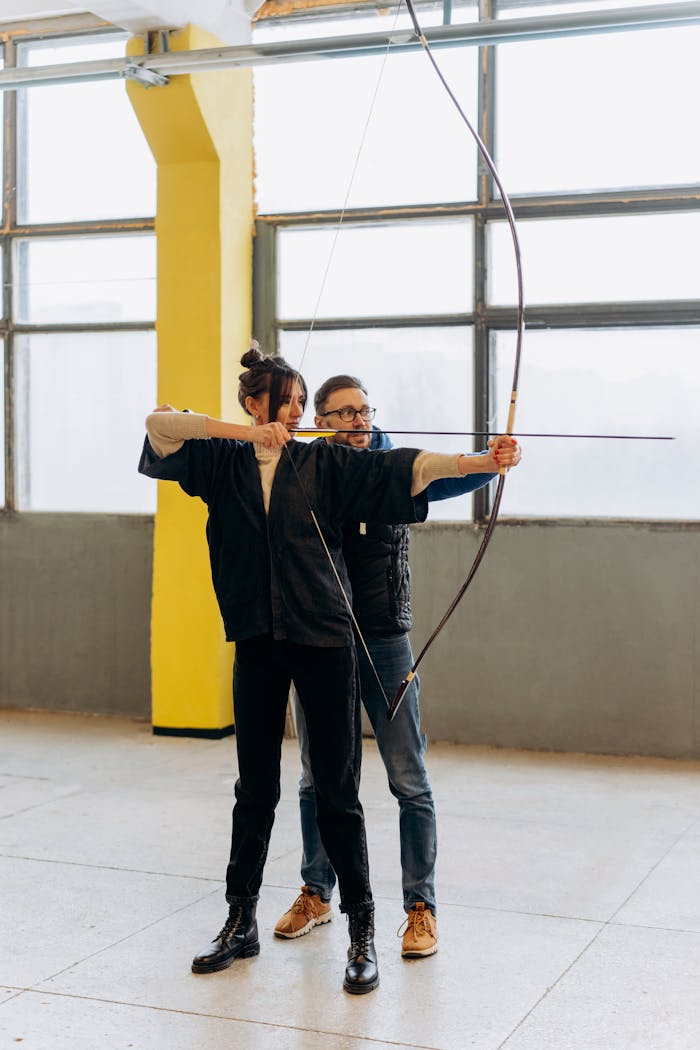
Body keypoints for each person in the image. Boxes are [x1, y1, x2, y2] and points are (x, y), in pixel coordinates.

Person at [138, 346, 519, 995]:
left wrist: (482, 462)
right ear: (254, 404)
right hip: (257, 641)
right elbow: (159, 425)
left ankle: (361, 932)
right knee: (255, 790)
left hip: (324, 640)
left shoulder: (324, 461)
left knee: (338, 791)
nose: (293, 412)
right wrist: (248, 436)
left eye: (298, 401)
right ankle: (239, 921)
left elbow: (406, 469)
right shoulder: (220, 460)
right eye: (284, 401)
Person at [274, 375, 518, 958]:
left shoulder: (393, 466)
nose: (359, 421)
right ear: (320, 421)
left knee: (409, 777)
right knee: (316, 777)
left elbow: (448, 474)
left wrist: (494, 461)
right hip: (323, 638)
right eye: (344, 413)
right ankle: (317, 892)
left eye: (364, 411)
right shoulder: (310, 468)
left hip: (384, 639)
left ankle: (420, 909)